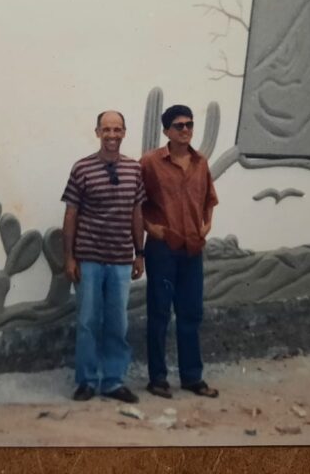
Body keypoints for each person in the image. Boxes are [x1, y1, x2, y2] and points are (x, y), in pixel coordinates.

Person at [61, 110, 146, 403]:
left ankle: (113, 381)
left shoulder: (134, 170)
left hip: (121, 259)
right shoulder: (82, 168)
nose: (112, 135)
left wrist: (139, 253)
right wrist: (69, 257)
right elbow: (71, 214)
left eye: (117, 129)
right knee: (87, 321)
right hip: (89, 258)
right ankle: (86, 381)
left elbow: (137, 212)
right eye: (106, 129)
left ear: (124, 133)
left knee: (117, 323)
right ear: (97, 133)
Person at [139, 104, 220, 399]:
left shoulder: (200, 163)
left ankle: (192, 377)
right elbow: (136, 202)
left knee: (191, 313)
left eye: (189, 124)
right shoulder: (150, 162)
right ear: (166, 131)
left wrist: (207, 225)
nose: (185, 130)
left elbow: (209, 199)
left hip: (192, 249)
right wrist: (151, 228)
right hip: (162, 248)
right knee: (159, 313)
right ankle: (158, 379)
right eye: (178, 125)